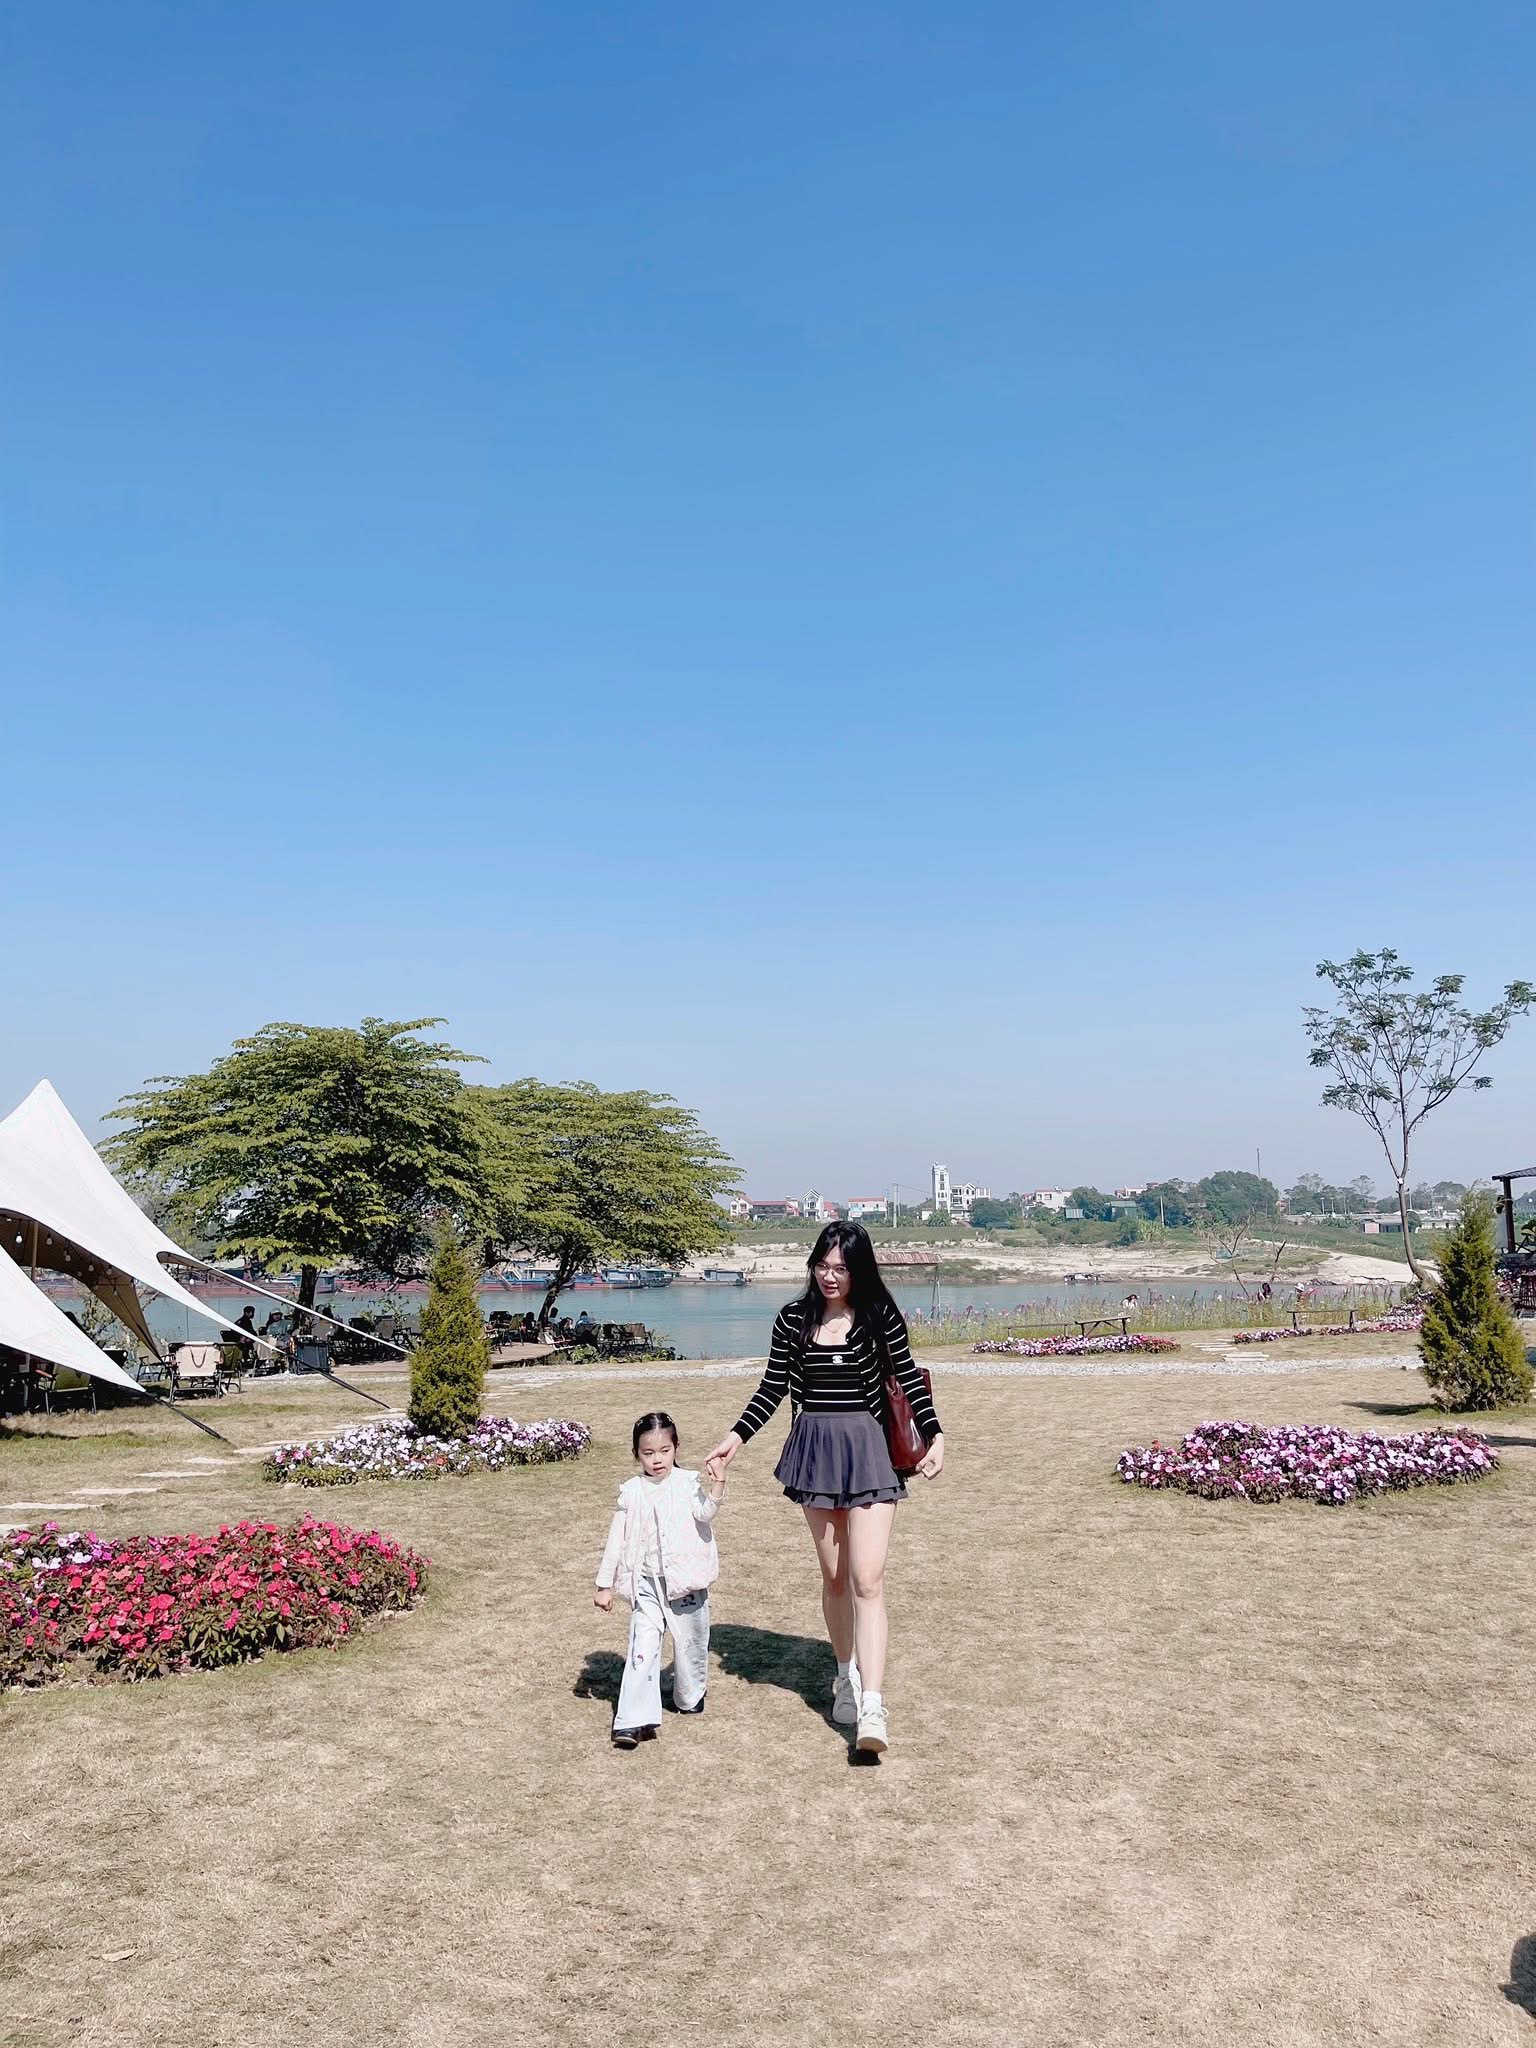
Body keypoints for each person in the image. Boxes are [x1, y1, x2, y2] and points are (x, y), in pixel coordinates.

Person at [704, 1220, 943, 1757]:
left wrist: (936, 1435)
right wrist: (734, 1439)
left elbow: (907, 1377)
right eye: (822, 1266)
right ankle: (845, 1675)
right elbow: (772, 1387)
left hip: (869, 1450)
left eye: (841, 1268)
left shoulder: (879, 1315)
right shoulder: (793, 1318)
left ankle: (873, 1705)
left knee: (867, 1579)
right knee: (835, 1579)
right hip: (815, 1450)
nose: (830, 1277)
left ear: (859, 1271)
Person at [594, 1412, 727, 1750]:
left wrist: (718, 1484)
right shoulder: (631, 1492)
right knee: (642, 1646)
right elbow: (616, 1540)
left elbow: (705, 1513)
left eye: (664, 1451)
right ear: (636, 1454)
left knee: (690, 1643)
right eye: (648, 1453)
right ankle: (632, 1721)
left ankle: (689, 1696)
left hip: (685, 1583)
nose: (657, 1460)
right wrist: (604, 1585)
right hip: (646, 1584)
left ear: (675, 1448)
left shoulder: (686, 1483)